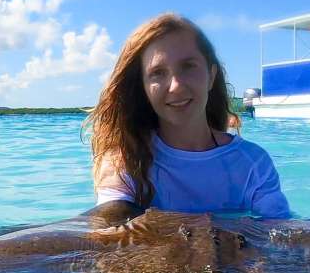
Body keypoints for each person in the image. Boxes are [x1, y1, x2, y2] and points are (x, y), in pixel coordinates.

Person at [84, 14, 291, 218]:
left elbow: (278, 237)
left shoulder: (253, 164)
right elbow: (108, 230)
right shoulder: (126, 160)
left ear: (211, 76)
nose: (176, 86)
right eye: (157, 72)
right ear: (143, 88)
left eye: (188, 66)